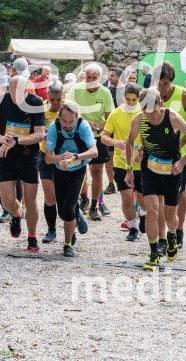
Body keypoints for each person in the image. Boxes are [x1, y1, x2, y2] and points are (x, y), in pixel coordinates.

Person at [126, 88, 186, 270]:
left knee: (170, 216)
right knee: (152, 211)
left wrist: (182, 162)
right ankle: (153, 253)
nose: (150, 116)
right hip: (149, 169)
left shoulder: (172, 117)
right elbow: (129, 141)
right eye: (146, 112)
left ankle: (172, 236)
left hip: (172, 171)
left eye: (153, 112)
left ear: (161, 104)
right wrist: (129, 168)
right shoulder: (138, 119)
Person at [0, 75, 46, 252]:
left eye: (21, 94)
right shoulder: (0, 101)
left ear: (27, 90)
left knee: (31, 200)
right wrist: (1, 139)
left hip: (28, 157)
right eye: (13, 94)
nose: (17, 99)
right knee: (7, 202)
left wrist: (16, 140)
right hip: (5, 156)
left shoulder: (36, 102)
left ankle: (32, 237)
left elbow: (40, 134)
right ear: (8, 90)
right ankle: (16, 214)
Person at [154, 61, 186, 249]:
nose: (162, 88)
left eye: (166, 83)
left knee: (179, 193)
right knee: (158, 196)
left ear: (172, 81)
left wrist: (181, 142)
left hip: (178, 154)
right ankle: (162, 237)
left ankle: (178, 230)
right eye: (159, 84)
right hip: (156, 153)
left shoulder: (184, 95)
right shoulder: (151, 95)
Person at [44, 101, 98, 257]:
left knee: (68, 208)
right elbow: (48, 158)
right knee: (62, 212)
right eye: (64, 121)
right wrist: (62, 158)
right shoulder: (54, 128)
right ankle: (76, 213)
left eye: (71, 121)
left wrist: (74, 157)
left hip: (78, 170)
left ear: (76, 118)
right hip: (60, 170)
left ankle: (67, 245)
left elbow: (94, 152)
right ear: (59, 118)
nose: (67, 125)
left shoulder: (83, 126)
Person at [67, 65, 115, 221]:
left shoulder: (105, 92)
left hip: (98, 135)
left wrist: (99, 128)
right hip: (79, 134)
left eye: (94, 78)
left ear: (100, 78)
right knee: (79, 169)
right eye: (88, 77)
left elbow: (110, 116)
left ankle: (95, 206)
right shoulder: (76, 89)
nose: (91, 80)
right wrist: (84, 122)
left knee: (96, 171)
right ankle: (84, 199)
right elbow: (68, 110)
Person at [101, 83, 143, 241]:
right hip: (121, 163)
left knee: (144, 199)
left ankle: (144, 216)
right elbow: (104, 136)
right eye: (128, 99)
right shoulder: (115, 113)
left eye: (134, 100)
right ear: (123, 97)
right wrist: (115, 142)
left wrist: (143, 151)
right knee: (126, 198)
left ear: (139, 99)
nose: (130, 103)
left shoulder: (144, 113)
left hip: (141, 162)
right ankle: (133, 227)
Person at [38, 81, 65, 243]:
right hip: (45, 155)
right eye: (52, 100)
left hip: (65, 156)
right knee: (49, 196)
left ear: (63, 97)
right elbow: (34, 130)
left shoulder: (68, 109)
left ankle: (73, 222)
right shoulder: (40, 108)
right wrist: (42, 134)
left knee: (65, 196)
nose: (55, 103)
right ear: (47, 97)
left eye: (58, 100)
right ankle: (51, 230)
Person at [103, 67, 123, 195]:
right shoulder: (107, 90)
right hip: (110, 127)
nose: (110, 77)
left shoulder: (125, 91)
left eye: (112, 75)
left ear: (119, 77)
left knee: (124, 153)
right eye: (109, 75)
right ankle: (111, 183)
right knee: (109, 156)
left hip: (123, 127)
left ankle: (126, 181)